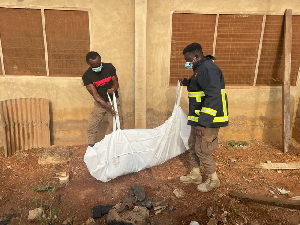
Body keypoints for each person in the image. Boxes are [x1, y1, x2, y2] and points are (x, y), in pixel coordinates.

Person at [179, 43, 229, 192]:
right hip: (198, 118)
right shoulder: (199, 69)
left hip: (208, 120)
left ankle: (213, 179)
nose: (186, 63)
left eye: (188, 59)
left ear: (196, 56)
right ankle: (195, 174)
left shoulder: (208, 69)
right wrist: (188, 83)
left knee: (203, 150)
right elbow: (200, 88)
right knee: (193, 145)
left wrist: (203, 123)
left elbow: (213, 95)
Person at [82, 51, 122, 147]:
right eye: (95, 67)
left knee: (115, 127)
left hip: (113, 101)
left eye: (99, 65)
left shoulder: (109, 67)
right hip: (100, 103)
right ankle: (91, 147)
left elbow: (116, 82)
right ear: (89, 64)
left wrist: (113, 88)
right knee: (91, 126)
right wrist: (110, 109)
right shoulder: (87, 76)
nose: (98, 68)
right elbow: (96, 96)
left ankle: (110, 147)